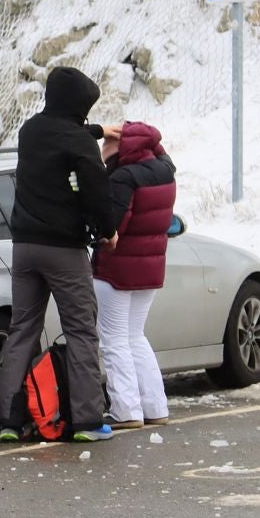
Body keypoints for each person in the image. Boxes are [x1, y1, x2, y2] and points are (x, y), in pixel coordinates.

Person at [0, 66, 119, 443]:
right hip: (63, 249)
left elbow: (64, 135)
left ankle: (10, 421)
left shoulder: (30, 130)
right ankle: (87, 420)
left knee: (22, 329)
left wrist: (98, 132)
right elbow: (95, 188)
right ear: (78, 105)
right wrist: (107, 229)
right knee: (81, 330)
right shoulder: (78, 142)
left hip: (24, 248)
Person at [92, 121, 175, 430]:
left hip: (117, 270)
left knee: (114, 340)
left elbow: (113, 226)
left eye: (108, 144)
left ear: (122, 146)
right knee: (134, 336)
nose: (103, 150)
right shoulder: (164, 171)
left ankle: (126, 410)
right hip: (149, 269)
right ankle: (155, 406)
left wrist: (97, 230)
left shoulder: (124, 177)